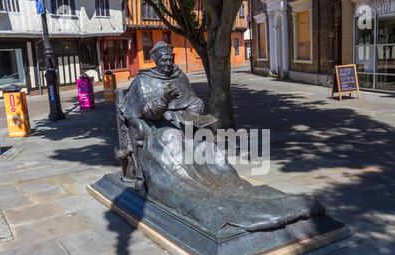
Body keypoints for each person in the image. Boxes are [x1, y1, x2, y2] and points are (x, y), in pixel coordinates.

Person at [117, 41, 326, 234]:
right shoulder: (144, 82)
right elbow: (145, 113)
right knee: (175, 142)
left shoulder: (179, 76)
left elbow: (194, 100)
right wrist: (164, 99)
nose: (168, 63)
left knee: (208, 146)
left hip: (185, 123)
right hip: (160, 128)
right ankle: (191, 190)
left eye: (171, 59)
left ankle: (224, 182)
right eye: (164, 60)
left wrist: (194, 109)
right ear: (155, 60)